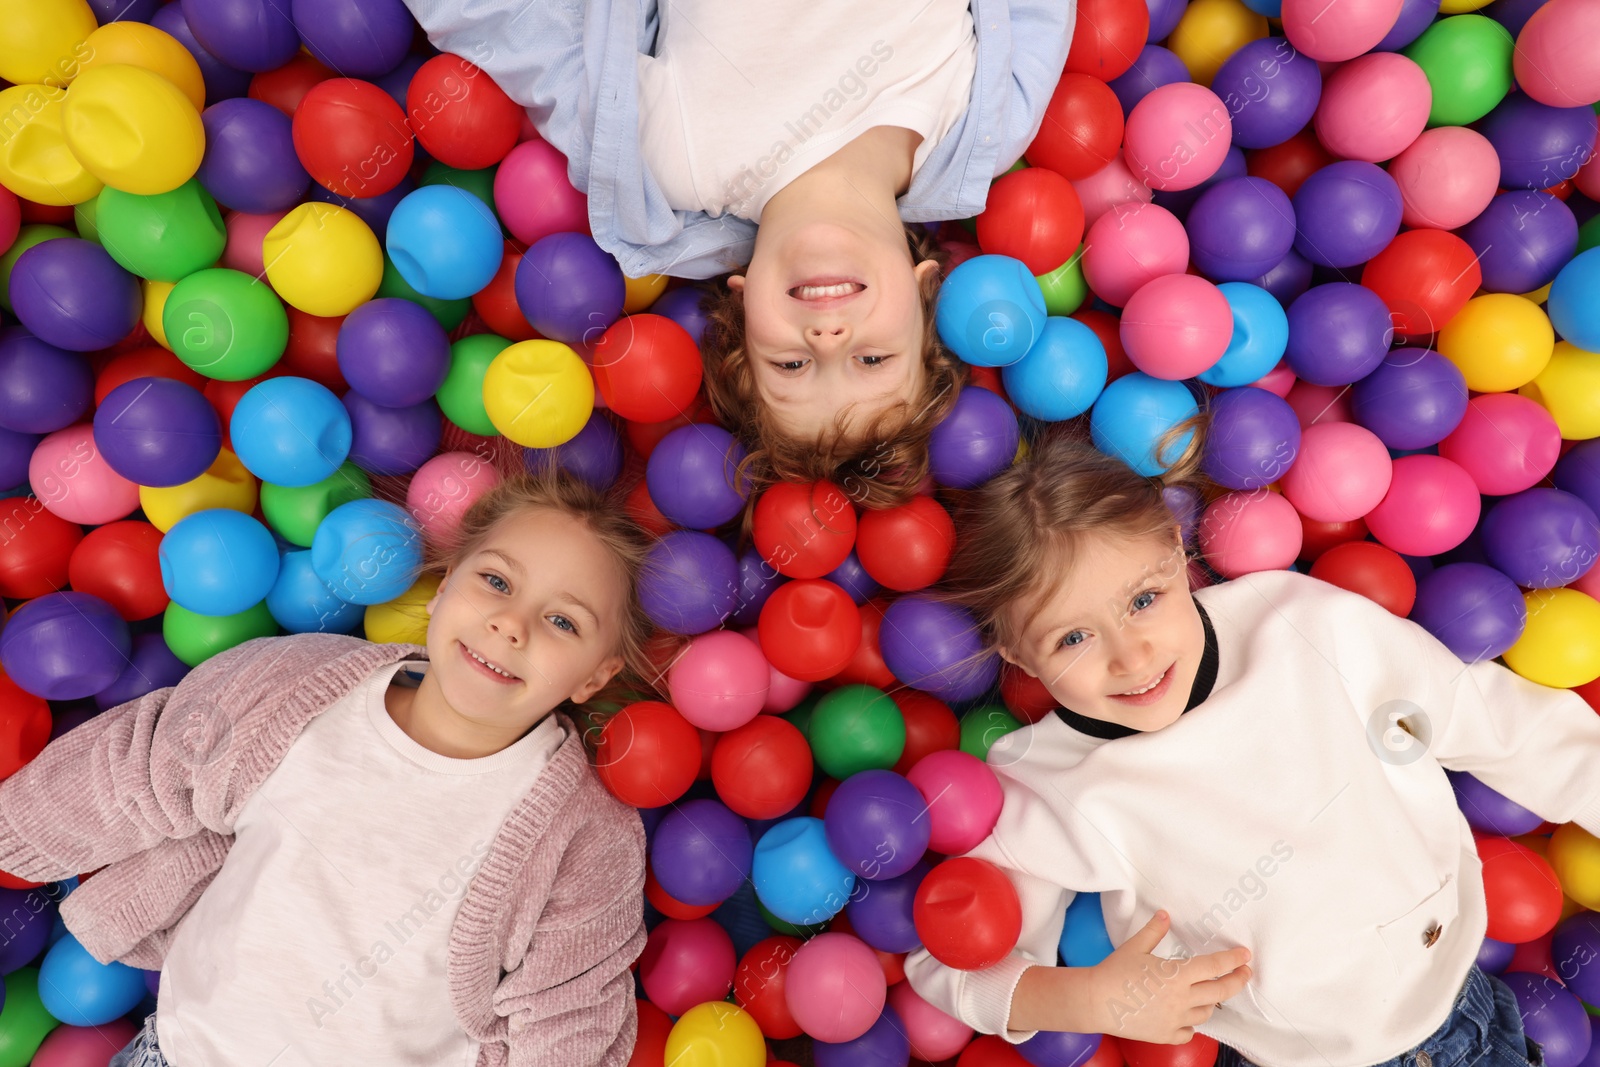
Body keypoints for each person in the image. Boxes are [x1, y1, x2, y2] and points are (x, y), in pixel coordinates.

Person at [904, 430, 1600, 1067]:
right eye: (1072, 638)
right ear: (1014, 651)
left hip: (1462, 1012)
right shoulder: (1054, 782)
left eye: (1143, 599)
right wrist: (1085, 999)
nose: (1131, 655)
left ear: (1177, 554)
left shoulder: (1303, 626)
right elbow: (949, 964)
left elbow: (1495, 720)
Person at [0, 473, 659, 1067]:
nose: (511, 625)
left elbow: (567, 1013)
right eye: (495, 581)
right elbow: (145, 766)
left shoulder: (585, 835)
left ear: (596, 675)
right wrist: (15, 834)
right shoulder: (297, 687)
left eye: (563, 621)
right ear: (445, 584)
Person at [400, 0, 1077, 506]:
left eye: (792, 363)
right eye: (871, 359)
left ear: (742, 300)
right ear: (927, 287)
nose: (829, 336)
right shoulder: (984, 119)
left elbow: (516, 28)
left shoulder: (671, 162)